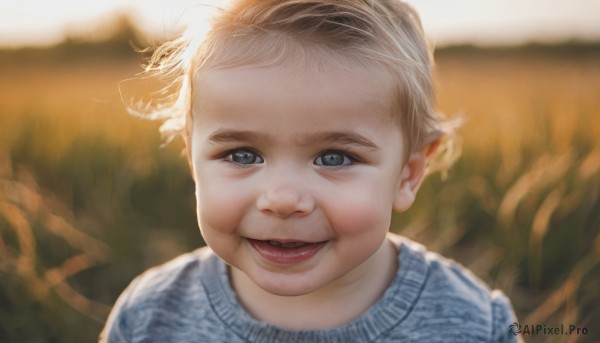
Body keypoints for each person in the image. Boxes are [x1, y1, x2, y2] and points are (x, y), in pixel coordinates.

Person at [100, 0, 520, 341]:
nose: (282, 199)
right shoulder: (150, 317)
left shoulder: (475, 325)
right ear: (192, 160)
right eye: (243, 155)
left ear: (408, 174)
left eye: (334, 158)